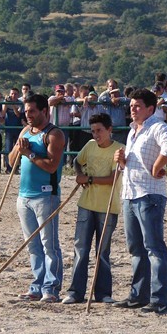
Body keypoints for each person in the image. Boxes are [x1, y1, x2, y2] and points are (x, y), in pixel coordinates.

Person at [113, 88, 167, 314]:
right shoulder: (133, 131)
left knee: (153, 247)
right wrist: (121, 161)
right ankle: (138, 295)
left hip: (149, 194)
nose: (132, 109)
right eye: (131, 105)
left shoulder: (158, 126)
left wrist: (157, 167)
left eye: (137, 106)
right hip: (130, 193)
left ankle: (159, 299)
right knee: (136, 248)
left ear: (151, 108)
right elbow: (132, 164)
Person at [8, 94, 66, 303]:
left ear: (44, 111)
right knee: (32, 245)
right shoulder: (25, 131)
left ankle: (51, 288)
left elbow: (52, 165)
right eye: (26, 111)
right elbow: (11, 161)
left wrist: (30, 154)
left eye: (32, 111)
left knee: (49, 245)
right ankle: (36, 285)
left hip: (45, 196)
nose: (28, 115)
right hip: (24, 197)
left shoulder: (54, 134)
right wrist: (19, 149)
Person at [62, 113, 124, 304]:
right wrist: (79, 173)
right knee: (81, 248)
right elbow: (77, 161)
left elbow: (113, 179)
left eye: (99, 131)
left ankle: (103, 293)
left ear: (109, 130)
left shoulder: (119, 150)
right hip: (86, 205)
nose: (96, 135)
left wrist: (87, 179)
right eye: (93, 131)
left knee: (102, 251)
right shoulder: (89, 146)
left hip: (107, 207)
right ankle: (75, 292)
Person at [2, 87, 23, 172]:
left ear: (18, 95)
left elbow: (18, 114)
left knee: (18, 149)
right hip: (9, 129)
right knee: (8, 148)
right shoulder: (6, 102)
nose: (13, 95)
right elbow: (2, 114)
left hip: (18, 129)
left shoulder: (20, 103)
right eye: (12, 94)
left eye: (15, 94)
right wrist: (6, 104)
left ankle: (16, 167)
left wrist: (13, 105)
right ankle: (8, 168)